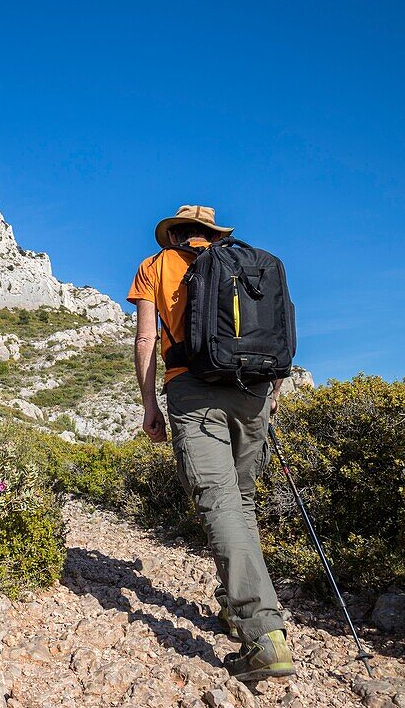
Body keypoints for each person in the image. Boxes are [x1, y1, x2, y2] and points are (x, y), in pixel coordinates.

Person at [127, 205, 295, 682]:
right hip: (255, 392)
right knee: (240, 504)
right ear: (212, 234)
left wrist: (149, 406)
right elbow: (280, 334)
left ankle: (263, 635)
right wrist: (272, 398)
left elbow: (145, 342)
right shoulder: (249, 265)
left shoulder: (155, 266)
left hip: (193, 389)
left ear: (173, 234)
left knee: (218, 504)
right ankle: (236, 608)